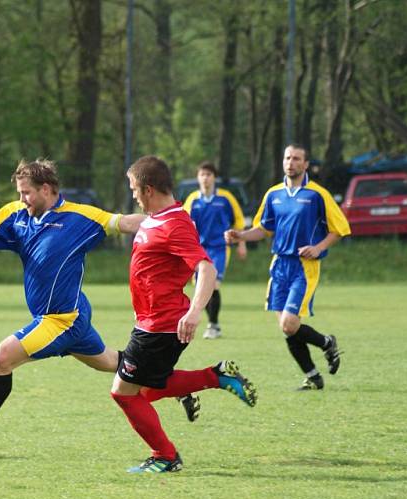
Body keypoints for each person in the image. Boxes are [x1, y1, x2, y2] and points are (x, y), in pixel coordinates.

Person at [0, 158, 145, 448]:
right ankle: (177, 384)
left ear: (47, 189)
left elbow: (124, 222)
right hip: (70, 314)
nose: (21, 198)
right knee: (116, 363)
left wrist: (169, 219)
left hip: (63, 320)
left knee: (2, 357)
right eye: (20, 192)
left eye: (26, 192)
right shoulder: (16, 216)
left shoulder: (79, 217)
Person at [110, 155, 258, 474]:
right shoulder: (155, 217)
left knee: (123, 393)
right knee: (147, 389)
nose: (133, 194)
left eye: (134, 188)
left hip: (161, 325)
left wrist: (194, 312)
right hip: (150, 320)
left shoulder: (175, 223)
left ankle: (165, 456)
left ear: (149, 189)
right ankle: (216, 376)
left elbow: (206, 268)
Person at [225, 144, 350, 391]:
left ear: (305, 164)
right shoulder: (274, 194)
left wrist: (318, 247)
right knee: (287, 329)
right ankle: (313, 376)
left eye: (296, 159)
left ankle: (327, 343)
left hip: (304, 266)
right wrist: (240, 235)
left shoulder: (317, 194)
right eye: (287, 158)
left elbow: (341, 228)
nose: (291, 162)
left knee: (289, 324)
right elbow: (263, 229)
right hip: (279, 265)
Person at [183, 161, 247, 339]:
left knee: (213, 284)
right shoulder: (193, 200)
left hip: (220, 248)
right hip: (199, 250)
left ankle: (213, 325)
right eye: (202, 174)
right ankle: (213, 324)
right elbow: (184, 225)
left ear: (214, 178)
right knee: (201, 288)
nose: (205, 178)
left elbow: (239, 221)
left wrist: (241, 243)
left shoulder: (225, 198)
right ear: (197, 177)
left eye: (209, 174)